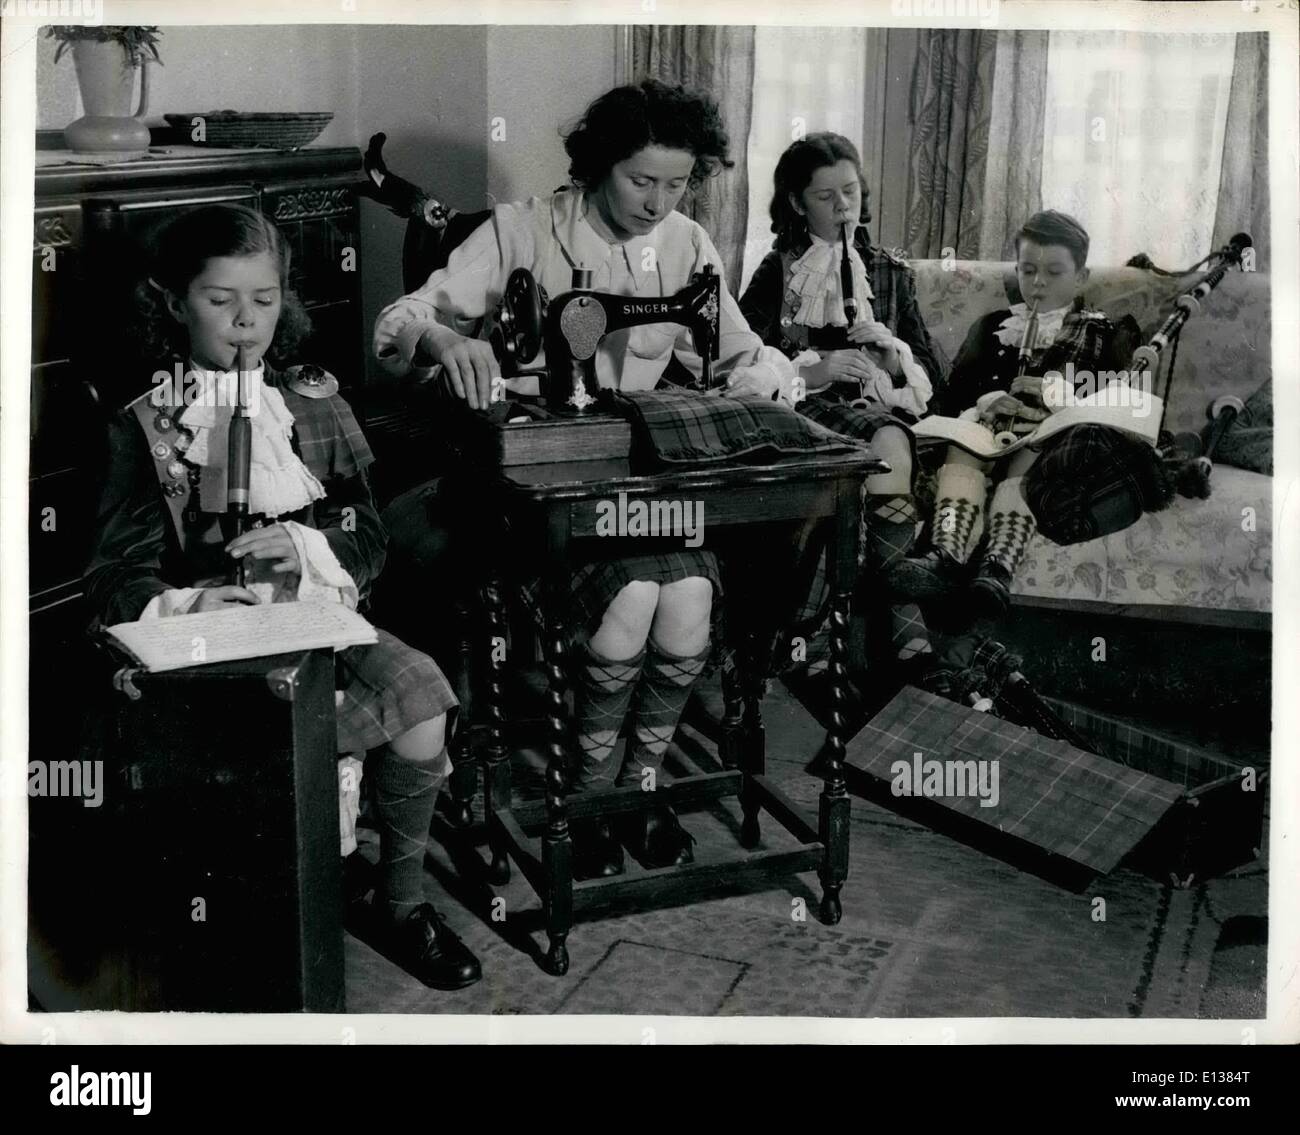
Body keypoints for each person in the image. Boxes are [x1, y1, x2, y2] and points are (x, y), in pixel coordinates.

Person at [374, 79, 799, 881]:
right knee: (635, 598)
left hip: (641, 481)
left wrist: (765, 380)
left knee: (691, 600)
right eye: (642, 180)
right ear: (599, 165)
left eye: (678, 184)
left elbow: (742, 353)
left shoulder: (688, 245)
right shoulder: (518, 231)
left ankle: (634, 789)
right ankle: (593, 791)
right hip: (538, 482)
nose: (658, 201)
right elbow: (396, 323)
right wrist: (441, 341)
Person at [83, 204, 482, 991]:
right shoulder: (147, 423)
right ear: (173, 302)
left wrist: (306, 544)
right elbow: (114, 574)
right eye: (219, 299)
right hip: (207, 644)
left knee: (423, 695)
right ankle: (251, 906)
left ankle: (398, 903)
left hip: (313, 615)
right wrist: (193, 604)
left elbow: (369, 538)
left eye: (263, 301)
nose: (244, 324)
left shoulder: (312, 403)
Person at [740, 132, 944, 670]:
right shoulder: (778, 271)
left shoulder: (890, 273)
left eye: (850, 192)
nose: (843, 207)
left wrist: (895, 357)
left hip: (879, 410)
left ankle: (872, 633)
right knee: (885, 443)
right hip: (806, 410)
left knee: (887, 440)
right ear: (796, 202)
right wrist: (816, 369)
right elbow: (742, 365)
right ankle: (904, 625)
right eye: (825, 196)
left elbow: (934, 378)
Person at [893, 209, 1141, 616]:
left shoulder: (1106, 333)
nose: (1039, 282)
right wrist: (987, 401)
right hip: (987, 434)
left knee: (1027, 461)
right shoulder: (993, 326)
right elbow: (952, 396)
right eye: (1028, 270)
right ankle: (944, 552)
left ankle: (998, 567)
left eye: (1054, 272)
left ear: (1080, 277)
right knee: (961, 450)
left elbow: (1120, 401)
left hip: (1049, 445)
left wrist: (1055, 395)